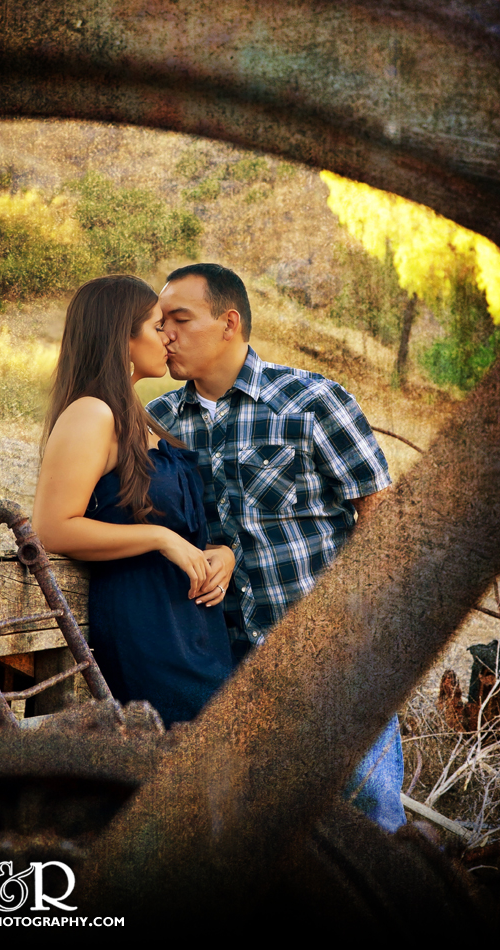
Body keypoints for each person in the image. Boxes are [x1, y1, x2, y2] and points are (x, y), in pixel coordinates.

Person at [146, 262, 406, 832]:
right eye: (159, 322)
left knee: (370, 816)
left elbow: (381, 516)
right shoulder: (160, 421)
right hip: (223, 665)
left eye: (180, 319)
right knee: (258, 829)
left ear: (228, 323)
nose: (165, 334)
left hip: (330, 653)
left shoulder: (311, 401)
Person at [32, 275, 234, 728]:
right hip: (148, 630)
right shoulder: (92, 413)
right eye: (157, 326)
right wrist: (162, 538)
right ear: (121, 337)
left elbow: (159, 521)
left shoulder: (140, 418)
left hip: (194, 628)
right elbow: (51, 527)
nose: (168, 337)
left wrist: (220, 553)